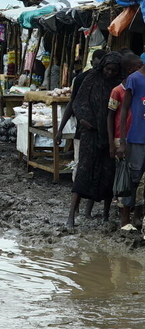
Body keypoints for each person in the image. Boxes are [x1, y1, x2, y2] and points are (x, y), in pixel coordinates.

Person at [67, 52, 124, 229]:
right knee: (84, 171)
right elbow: (79, 101)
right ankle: (71, 216)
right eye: (108, 69)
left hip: (109, 135)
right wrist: (84, 119)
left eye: (114, 70)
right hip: (90, 133)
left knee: (108, 173)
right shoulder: (91, 79)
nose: (110, 73)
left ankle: (106, 214)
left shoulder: (119, 84)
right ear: (102, 67)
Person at [56, 49, 108, 219]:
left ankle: (88, 211)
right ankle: (75, 209)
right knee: (82, 169)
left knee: (98, 170)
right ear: (93, 62)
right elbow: (73, 103)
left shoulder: (110, 82)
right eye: (99, 64)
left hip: (102, 134)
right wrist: (60, 130)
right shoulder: (82, 79)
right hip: (84, 133)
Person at [108, 53, 142, 228]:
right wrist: (120, 141)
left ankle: (135, 215)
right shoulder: (127, 85)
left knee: (138, 179)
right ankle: (124, 216)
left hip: (137, 137)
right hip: (130, 137)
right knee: (129, 177)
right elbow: (118, 113)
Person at [116, 52, 145, 229]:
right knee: (132, 179)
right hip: (136, 137)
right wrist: (123, 140)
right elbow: (124, 109)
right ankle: (125, 219)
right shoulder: (134, 79)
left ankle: (138, 217)